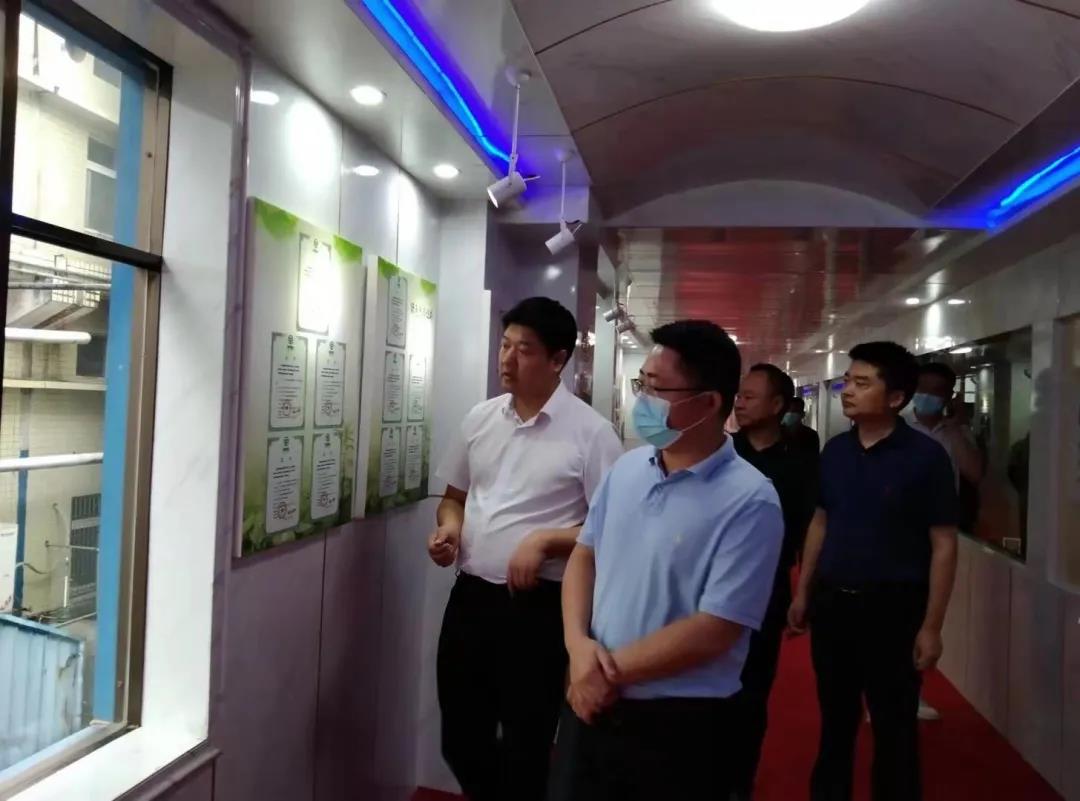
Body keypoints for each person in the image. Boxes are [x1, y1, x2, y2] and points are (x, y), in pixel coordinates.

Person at [549, 320, 784, 801]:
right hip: (589, 699)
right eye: (643, 383)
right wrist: (577, 647)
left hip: (678, 722)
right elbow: (585, 556)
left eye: (657, 388)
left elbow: (716, 628)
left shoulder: (750, 500)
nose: (644, 400)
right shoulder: (628, 469)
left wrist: (603, 672)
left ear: (710, 402)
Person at [430, 296, 624, 801]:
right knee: (460, 736)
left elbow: (615, 527)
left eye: (525, 350)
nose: (507, 359)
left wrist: (548, 540)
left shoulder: (591, 434)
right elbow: (453, 499)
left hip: (539, 609)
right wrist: (449, 530)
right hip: (472, 598)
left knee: (526, 741)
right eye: (505, 345)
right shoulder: (480, 418)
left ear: (558, 360)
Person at [788, 342, 959, 801]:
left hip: (894, 610)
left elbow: (944, 544)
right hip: (833, 606)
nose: (847, 391)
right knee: (835, 722)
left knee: (894, 726)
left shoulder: (926, 458)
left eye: (862, 383)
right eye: (848, 380)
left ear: (896, 397)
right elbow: (820, 521)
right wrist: (803, 591)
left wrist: (932, 626)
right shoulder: (836, 451)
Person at [729, 364, 819, 800]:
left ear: (778, 404)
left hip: (767, 589)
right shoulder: (721, 453)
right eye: (739, 395)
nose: (740, 402)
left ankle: (739, 781)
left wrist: (803, 594)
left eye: (750, 396)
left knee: (752, 690)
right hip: (708, 586)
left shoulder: (801, 463)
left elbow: (808, 530)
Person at [908, 361, 983, 721]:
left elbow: (975, 473)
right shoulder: (898, 426)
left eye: (936, 391)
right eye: (922, 389)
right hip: (899, 531)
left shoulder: (955, 433)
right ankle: (883, 691)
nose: (927, 397)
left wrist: (956, 428)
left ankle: (910, 691)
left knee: (921, 615)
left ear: (948, 396)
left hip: (937, 535)